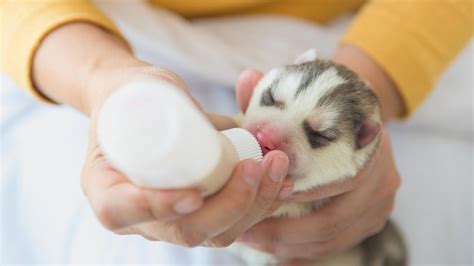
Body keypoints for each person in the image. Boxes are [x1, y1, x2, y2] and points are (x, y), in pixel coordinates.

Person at [1, 0, 471, 264]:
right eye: (274, 106)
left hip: (377, 36)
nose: (272, 135)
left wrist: (377, 81)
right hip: (99, 35)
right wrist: (100, 79)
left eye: (318, 135)